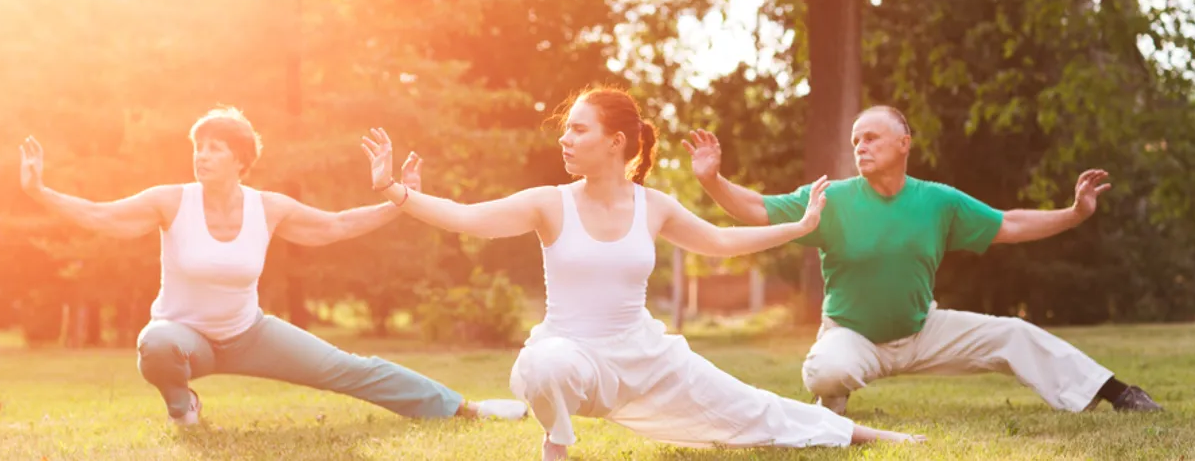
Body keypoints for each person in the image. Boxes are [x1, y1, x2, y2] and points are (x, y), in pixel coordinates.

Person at [360, 88, 925, 460]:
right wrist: (394, 191)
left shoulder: (652, 206)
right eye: (566, 130)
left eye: (578, 130)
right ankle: (556, 443)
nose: (565, 138)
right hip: (571, 349)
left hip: (644, 355)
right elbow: (468, 220)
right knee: (541, 364)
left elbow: (722, 241)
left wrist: (799, 227)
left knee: (753, 408)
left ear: (616, 142)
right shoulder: (548, 202)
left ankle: (863, 434)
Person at [19, 106, 527, 426]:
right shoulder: (170, 201)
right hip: (182, 337)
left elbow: (336, 226)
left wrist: (399, 198)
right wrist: (39, 192)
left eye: (215, 148)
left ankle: (464, 407)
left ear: (241, 159)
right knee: (155, 343)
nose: (202, 156)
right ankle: (182, 407)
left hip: (248, 332)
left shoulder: (268, 207)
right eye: (198, 147)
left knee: (349, 369)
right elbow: (100, 216)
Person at [685, 104, 1164, 417]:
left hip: (922, 330)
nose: (861, 146)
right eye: (856, 141)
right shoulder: (832, 198)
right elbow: (756, 208)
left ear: (904, 144)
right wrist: (712, 181)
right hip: (852, 333)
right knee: (827, 370)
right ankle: (831, 404)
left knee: (1014, 333)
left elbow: (1009, 224)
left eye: (872, 137)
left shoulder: (938, 202)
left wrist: (1076, 212)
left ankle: (1117, 393)